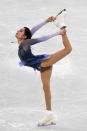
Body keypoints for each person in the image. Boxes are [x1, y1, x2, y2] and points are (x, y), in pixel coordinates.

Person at [15, 12, 72, 126]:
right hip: (40, 64)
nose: (18, 31)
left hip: (43, 62)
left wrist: (58, 33)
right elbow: (33, 30)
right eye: (20, 30)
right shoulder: (25, 41)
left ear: (25, 36)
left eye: (21, 31)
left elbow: (42, 39)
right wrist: (46, 21)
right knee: (46, 88)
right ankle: (49, 115)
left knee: (68, 49)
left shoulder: (25, 43)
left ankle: (62, 26)